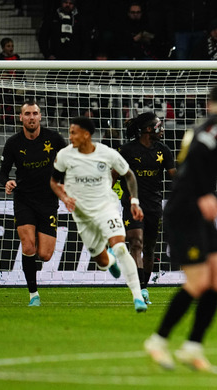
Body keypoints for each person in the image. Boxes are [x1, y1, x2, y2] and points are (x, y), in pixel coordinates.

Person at [144, 86, 217, 372]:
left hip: (198, 211)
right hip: (184, 213)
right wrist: (206, 195)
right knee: (198, 282)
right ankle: (158, 340)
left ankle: (192, 347)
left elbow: (196, 174)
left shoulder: (203, 126)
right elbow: (194, 158)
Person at [50, 116, 147, 312]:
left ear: (86, 135)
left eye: (73, 132)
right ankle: (110, 261)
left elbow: (129, 175)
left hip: (106, 208)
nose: (70, 136)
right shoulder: (64, 156)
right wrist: (64, 196)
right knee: (102, 262)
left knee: (120, 246)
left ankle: (138, 297)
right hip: (83, 216)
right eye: (70, 132)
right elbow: (54, 181)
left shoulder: (107, 154)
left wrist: (134, 202)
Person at [0, 100, 67, 306]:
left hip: (48, 201)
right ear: (21, 117)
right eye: (27, 114)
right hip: (24, 199)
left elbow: (69, 160)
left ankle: (36, 244)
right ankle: (33, 295)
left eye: (35, 113)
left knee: (44, 255)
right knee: (28, 246)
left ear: (40, 116)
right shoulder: (13, 143)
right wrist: (7, 182)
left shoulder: (54, 139)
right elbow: (3, 173)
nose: (31, 117)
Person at [118, 113, 176, 305]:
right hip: (132, 203)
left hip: (153, 205)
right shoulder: (126, 151)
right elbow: (113, 175)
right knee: (136, 243)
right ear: (148, 129)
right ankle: (139, 290)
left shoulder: (163, 150)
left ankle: (144, 288)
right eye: (159, 126)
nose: (162, 130)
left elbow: (174, 176)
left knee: (149, 249)